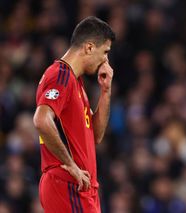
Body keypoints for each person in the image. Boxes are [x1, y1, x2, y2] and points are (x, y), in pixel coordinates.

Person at [33, 16, 115, 212]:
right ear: (88, 47)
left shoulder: (75, 81)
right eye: (105, 52)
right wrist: (70, 164)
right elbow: (41, 120)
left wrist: (105, 92)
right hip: (68, 184)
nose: (105, 59)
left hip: (80, 186)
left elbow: (96, 135)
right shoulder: (60, 75)